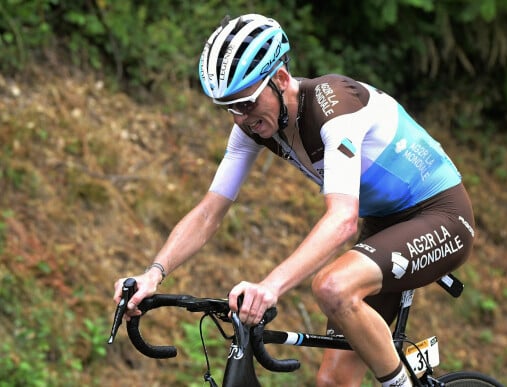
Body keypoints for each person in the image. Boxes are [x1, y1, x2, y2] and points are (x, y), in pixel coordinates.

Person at [113, 13, 476, 387]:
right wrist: (153, 274)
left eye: (247, 103)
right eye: (229, 108)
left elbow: (342, 220)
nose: (240, 118)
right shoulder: (255, 127)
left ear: (281, 79)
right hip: (384, 226)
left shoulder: (335, 109)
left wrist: (269, 287)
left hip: (440, 215)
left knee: (333, 286)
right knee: (333, 381)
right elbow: (209, 212)